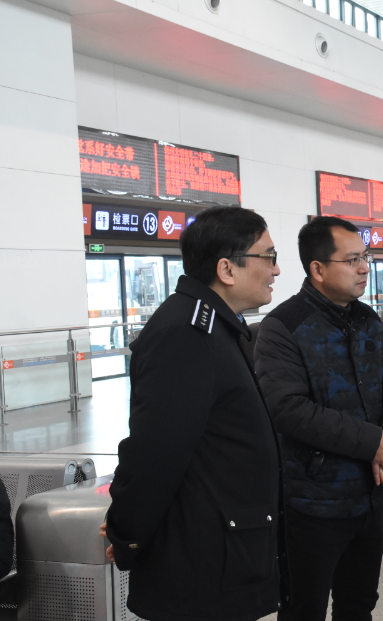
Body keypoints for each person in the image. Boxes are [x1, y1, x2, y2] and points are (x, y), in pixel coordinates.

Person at [102, 207, 283, 621]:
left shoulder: (215, 325)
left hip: (225, 546)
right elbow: (155, 453)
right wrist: (126, 532)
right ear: (227, 269)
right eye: (268, 256)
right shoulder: (186, 334)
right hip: (201, 563)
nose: (275, 269)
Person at [254, 216, 383, 620]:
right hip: (313, 505)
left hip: (371, 497)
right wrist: (372, 442)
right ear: (318, 269)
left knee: (358, 606)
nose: (364, 268)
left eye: (365, 258)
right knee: (303, 610)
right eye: (352, 259)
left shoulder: (366, 319)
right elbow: (289, 409)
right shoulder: (283, 328)